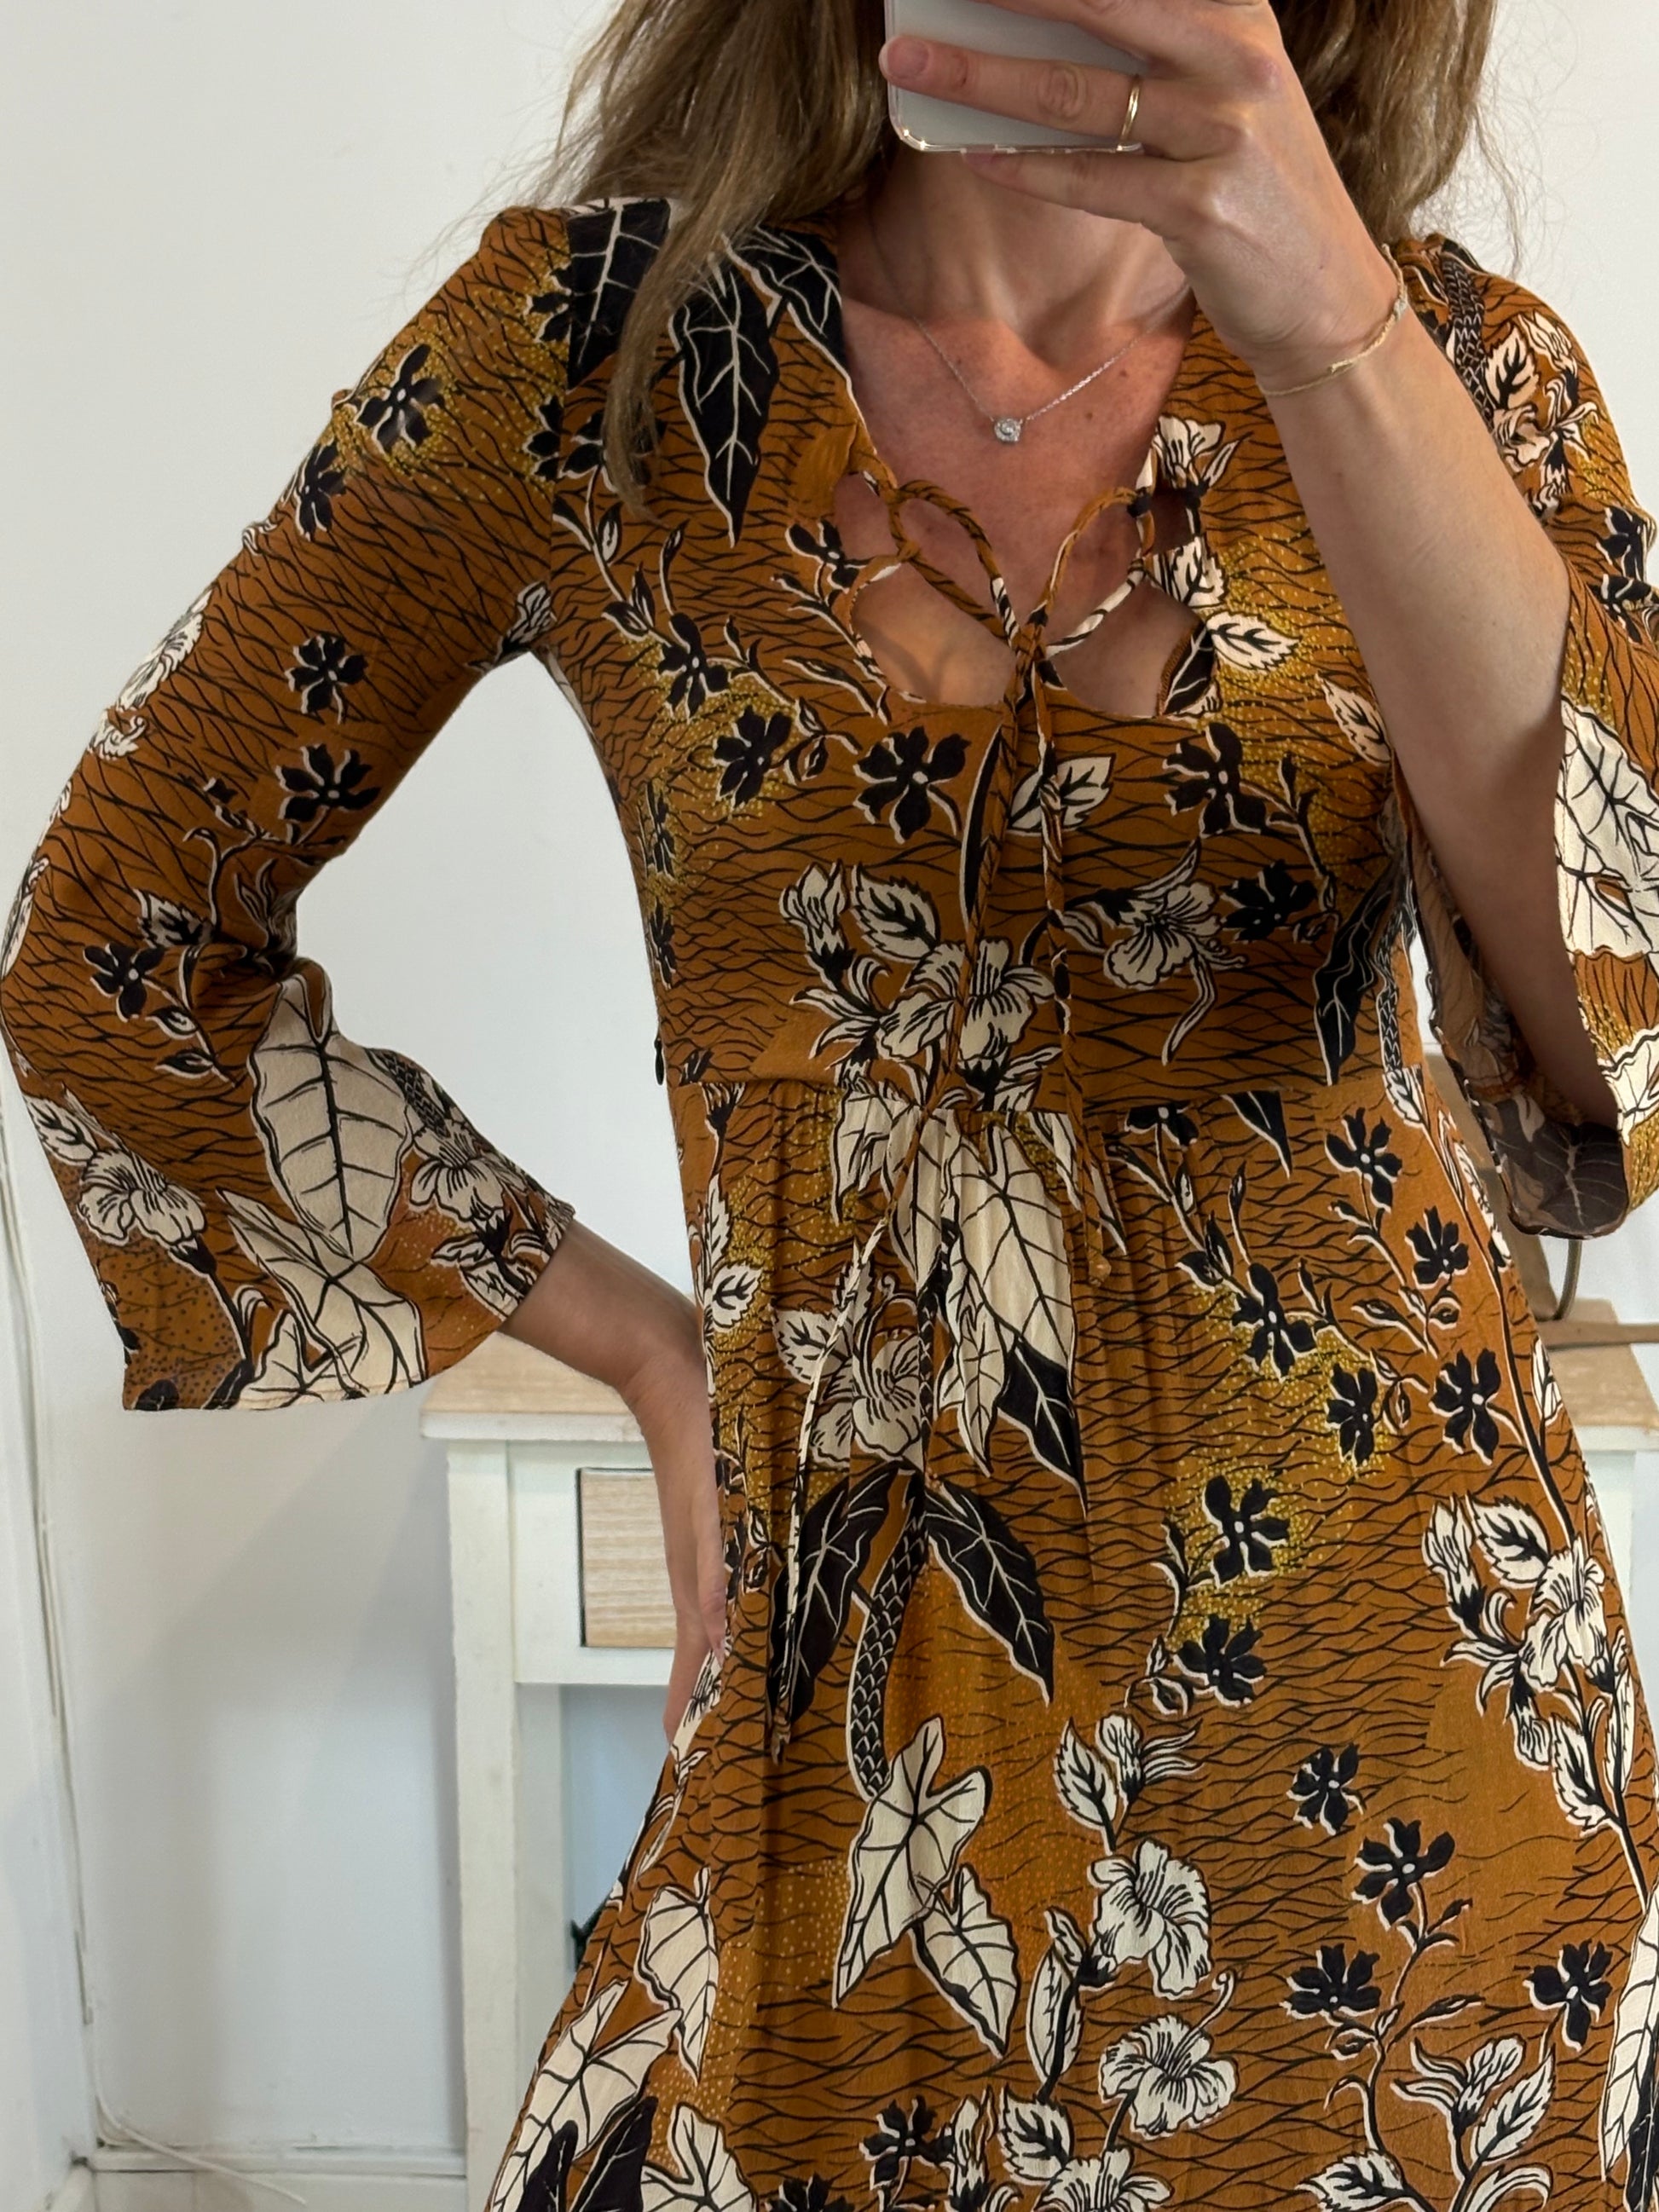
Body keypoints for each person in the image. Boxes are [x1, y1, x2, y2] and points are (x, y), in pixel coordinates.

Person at [5, 0, 1659, 2203]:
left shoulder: (1461, 374)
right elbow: (113, 941)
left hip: (1407, 1807)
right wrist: (637, 1342)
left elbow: (1609, 1052)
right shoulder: (592, 358)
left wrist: (1330, 325)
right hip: (856, 1767)